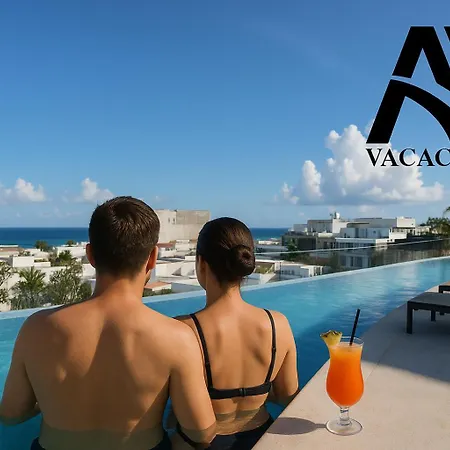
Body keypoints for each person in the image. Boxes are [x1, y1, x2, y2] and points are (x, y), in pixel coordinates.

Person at [0, 197, 216, 450]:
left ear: (90, 254)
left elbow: (11, 414)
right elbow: (201, 432)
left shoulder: (36, 328)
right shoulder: (177, 338)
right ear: (152, 258)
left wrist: (49, 398)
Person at [171, 217, 299, 450]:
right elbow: (288, 395)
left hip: (200, 443)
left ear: (201, 264)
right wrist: (254, 393)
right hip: (260, 438)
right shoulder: (277, 324)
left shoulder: (182, 330)